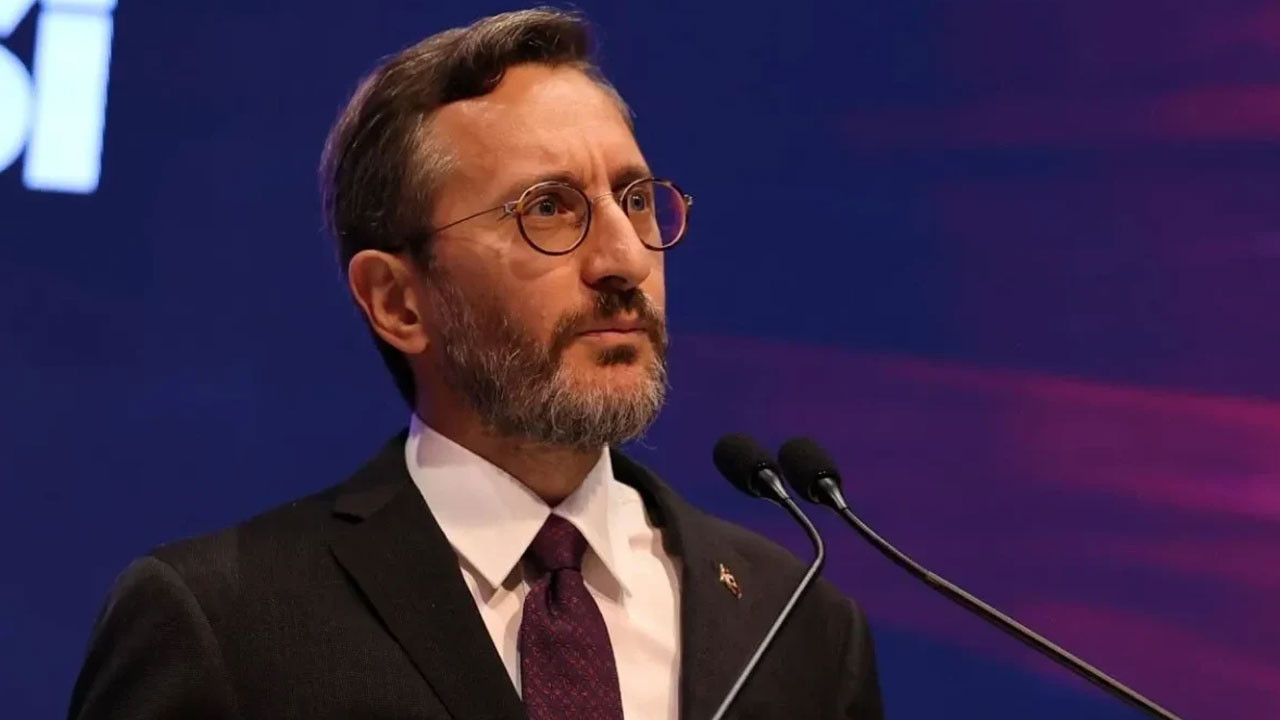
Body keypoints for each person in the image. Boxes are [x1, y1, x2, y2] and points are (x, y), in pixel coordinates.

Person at [67, 8, 883, 719]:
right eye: (549, 209)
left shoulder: (798, 622)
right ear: (398, 301)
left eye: (636, 200)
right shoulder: (225, 623)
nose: (626, 259)